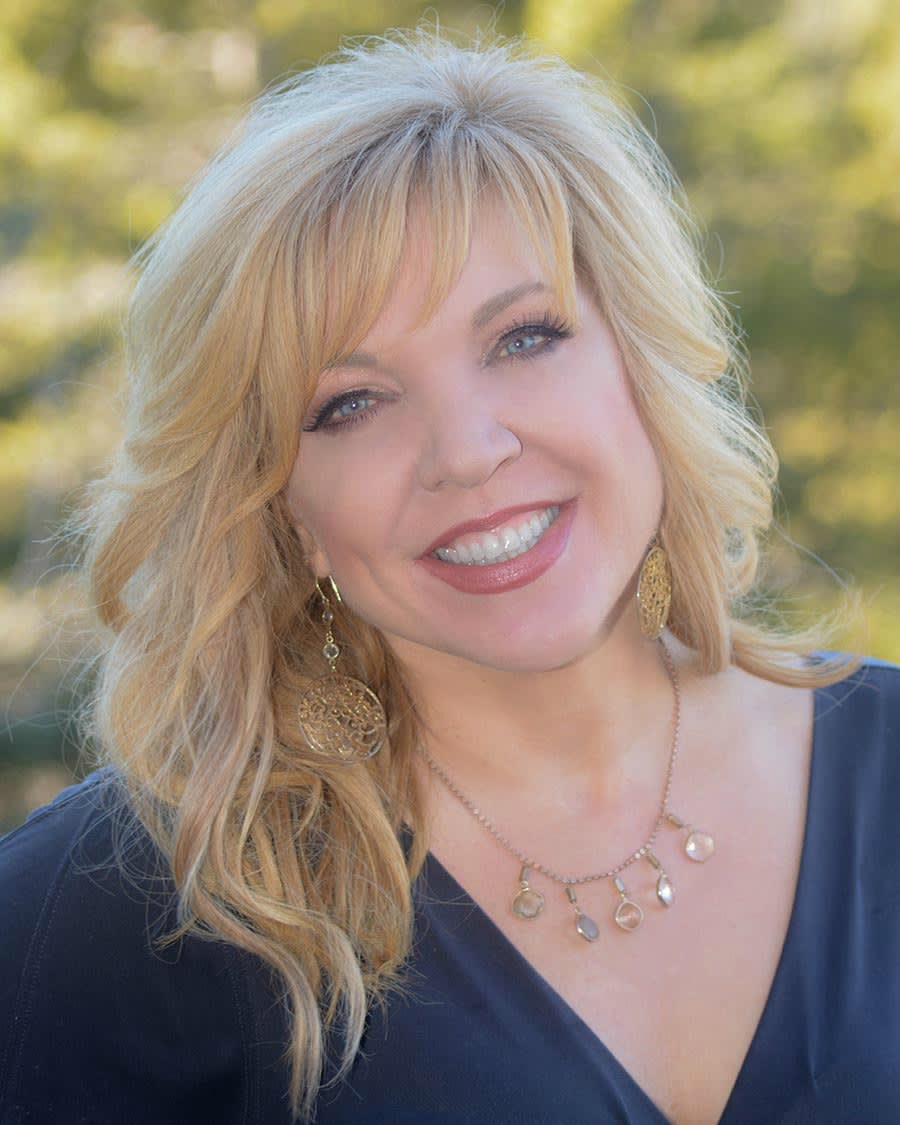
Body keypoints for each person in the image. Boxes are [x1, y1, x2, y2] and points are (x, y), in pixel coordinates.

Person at [1, 29, 898, 1125]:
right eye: (351, 404)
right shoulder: (127, 911)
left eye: (523, 339)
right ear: (284, 509)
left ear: (641, 362)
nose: (468, 451)